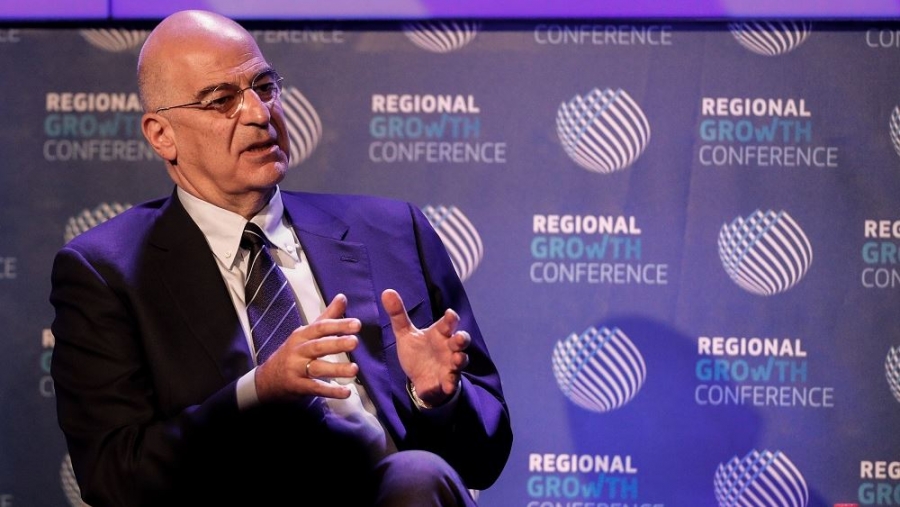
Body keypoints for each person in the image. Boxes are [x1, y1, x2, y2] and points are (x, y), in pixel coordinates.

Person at [49, 10, 512, 507]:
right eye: (222, 100)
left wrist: (436, 399)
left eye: (265, 87)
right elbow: (114, 476)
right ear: (162, 135)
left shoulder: (393, 232)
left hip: (395, 494)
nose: (258, 112)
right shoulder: (106, 272)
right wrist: (257, 392)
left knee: (416, 476)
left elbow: (484, 457)